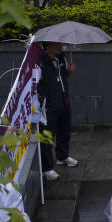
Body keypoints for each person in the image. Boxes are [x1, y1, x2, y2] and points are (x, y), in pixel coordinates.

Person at [36, 41, 76, 180]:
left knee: (64, 130)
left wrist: (69, 72)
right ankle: (47, 168)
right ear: (48, 47)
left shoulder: (61, 59)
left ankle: (62, 156)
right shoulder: (40, 63)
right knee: (47, 136)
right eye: (56, 45)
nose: (60, 47)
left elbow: (63, 78)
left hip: (63, 102)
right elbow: (34, 84)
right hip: (49, 106)